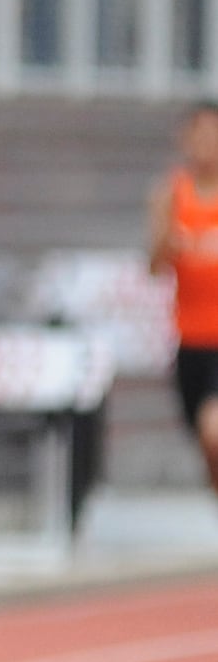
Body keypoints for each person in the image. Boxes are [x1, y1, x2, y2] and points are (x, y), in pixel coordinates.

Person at [148, 101, 218, 495]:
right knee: (206, 443)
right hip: (189, 340)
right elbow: (154, 267)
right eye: (199, 135)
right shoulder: (171, 194)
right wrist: (169, 242)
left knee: (214, 431)